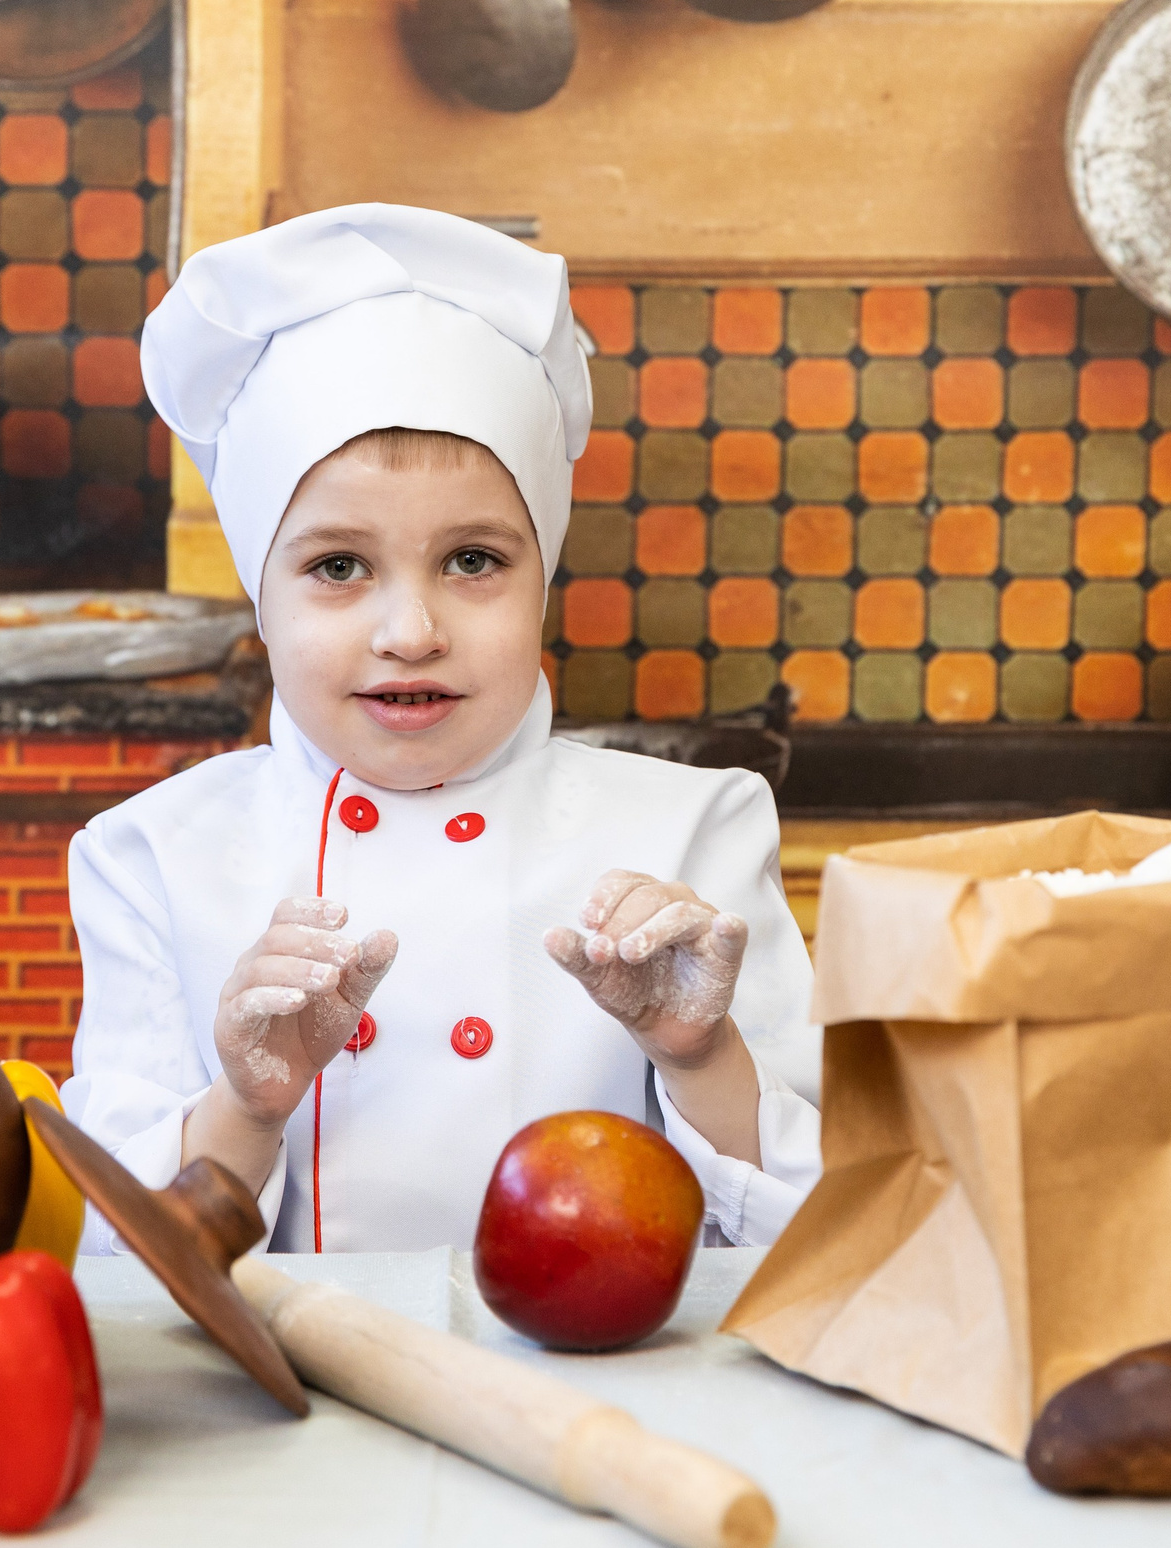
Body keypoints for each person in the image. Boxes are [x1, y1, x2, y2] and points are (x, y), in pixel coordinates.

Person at [63, 203, 820, 1255]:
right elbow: (113, 1263)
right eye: (337, 567)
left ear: (542, 577)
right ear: (258, 595)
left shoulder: (695, 833)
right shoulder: (151, 857)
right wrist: (246, 1105)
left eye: (473, 560)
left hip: (607, 1393)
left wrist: (698, 1059)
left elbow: (832, 1240)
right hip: (291, 1405)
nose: (410, 632)